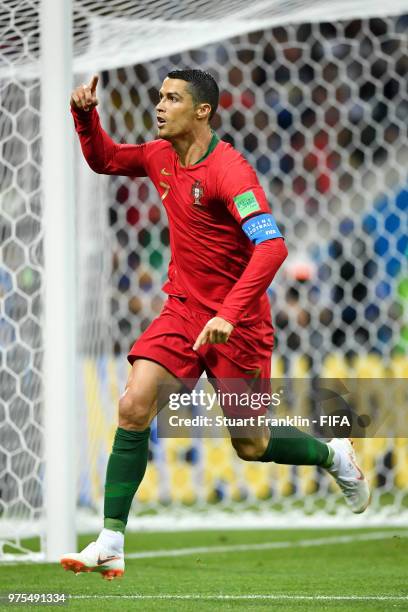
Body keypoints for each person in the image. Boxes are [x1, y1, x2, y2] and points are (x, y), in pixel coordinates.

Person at [61, 69, 370, 580]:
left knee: (251, 445)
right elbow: (106, 160)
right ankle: (111, 540)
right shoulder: (160, 156)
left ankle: (333, 454)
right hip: (182, 310)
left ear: (202, 111)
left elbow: (272, 247)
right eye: (159, 97)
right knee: (134, 404)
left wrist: (228, 313)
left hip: (239, 324)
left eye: (173, 98)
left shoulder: (231, 172)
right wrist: (84, 115)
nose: (159, 106)